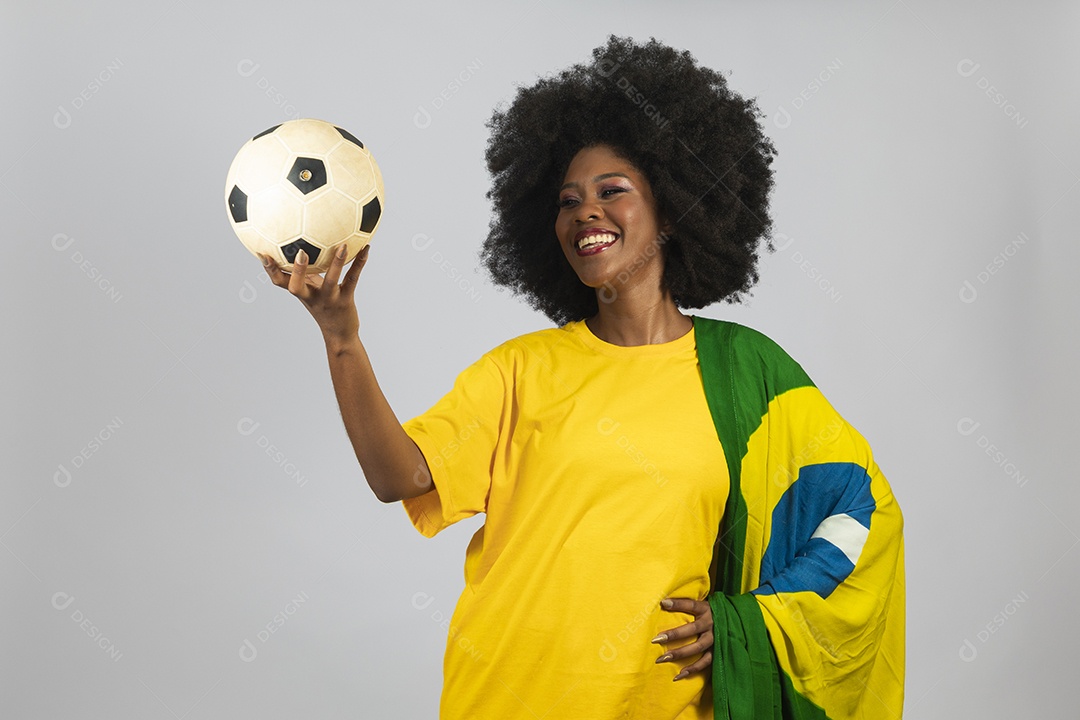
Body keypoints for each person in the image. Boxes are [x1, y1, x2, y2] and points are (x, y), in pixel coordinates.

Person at [259, 36, 904, 720]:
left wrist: (750, 622)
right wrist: (341, 336)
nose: (585, 212)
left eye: (612, 192)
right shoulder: (520, 370)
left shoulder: (748, 374)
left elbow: (859, 508)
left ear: (673, 206)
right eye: (568, 201)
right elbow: (402, 479)